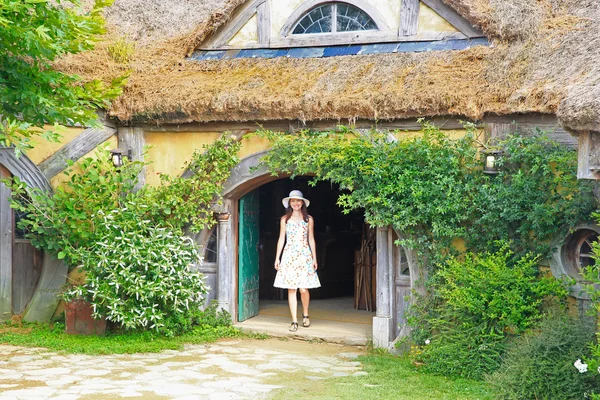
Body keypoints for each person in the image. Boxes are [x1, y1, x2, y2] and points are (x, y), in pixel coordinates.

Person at [273, 190, 320, 332]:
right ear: (289, 203)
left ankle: (305, 314)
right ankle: (294, 321)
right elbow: (281, 238)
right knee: (291, 288)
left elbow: (311, 238)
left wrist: (314, 257)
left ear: (302, 203)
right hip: (289, 255)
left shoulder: (308, 219)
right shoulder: (284, 219)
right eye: (293, 201)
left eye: (298, 201)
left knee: (304, 289)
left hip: (304, 255)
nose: (296, 203)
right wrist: (277, 257)